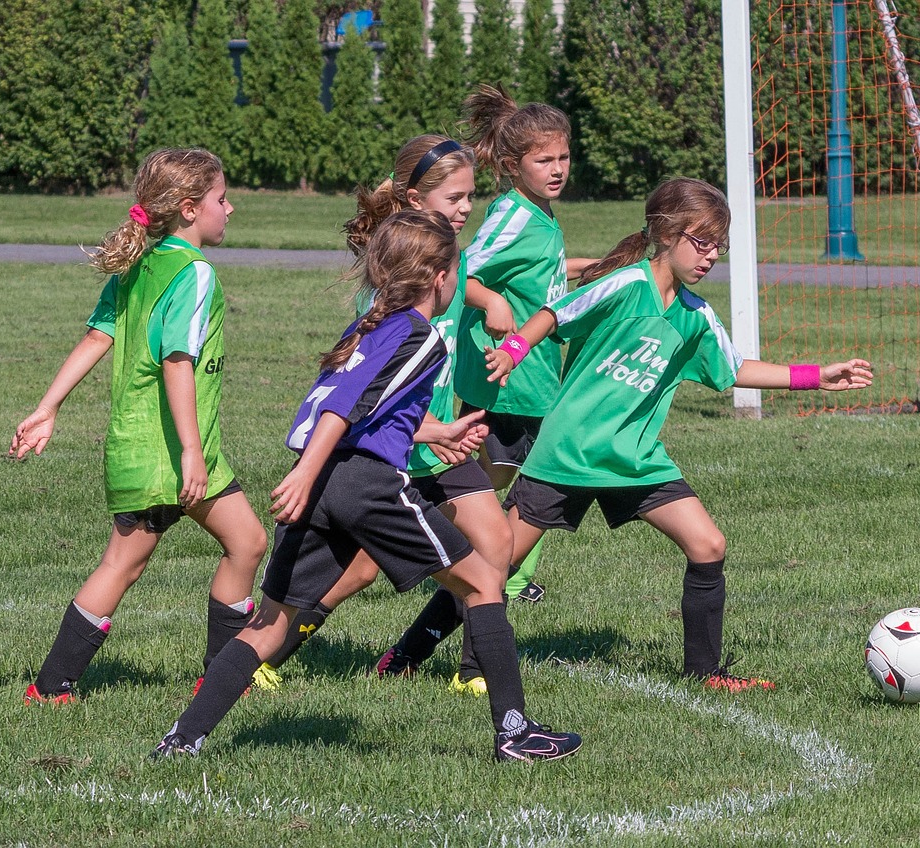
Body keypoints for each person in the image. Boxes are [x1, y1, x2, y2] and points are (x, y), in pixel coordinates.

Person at [151, 209, 581, 762]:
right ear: (438, 278)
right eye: (456, 269)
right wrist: (305, 474)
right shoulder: (420, 337)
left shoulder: (370, 327)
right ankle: (516, 732)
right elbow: (343, 408)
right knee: (482, 582)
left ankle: (182, 738)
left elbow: (356, 411)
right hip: (362, 483)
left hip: (331, 476)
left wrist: (437, 431)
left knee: (269, 622)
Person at [483, 177, 874, 692]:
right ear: (665, 234)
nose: (711, 256)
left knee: (708, 543)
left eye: (719, 246)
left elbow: (733, 369)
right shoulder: (625, 284)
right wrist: (513, 350)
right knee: (497, 560)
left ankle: (704, 674)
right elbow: (556, 313)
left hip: (634, 459)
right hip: (569, 453)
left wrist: (815, 375)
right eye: (701, 242)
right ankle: (425, 656)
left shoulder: (695, 316)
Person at [250, 136, 513, 697]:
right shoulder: (387, 286)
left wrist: (490, 302)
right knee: (359, 568)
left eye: (471, 197)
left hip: (436, 434)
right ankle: (268, 652)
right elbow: (362, 394)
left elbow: (461, 289)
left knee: (495, 543)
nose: (467, 208)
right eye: (456, 197)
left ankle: (475, 673)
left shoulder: (450, 261)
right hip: (387, 445)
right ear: (416, 200)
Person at [12, 148, 268, 704]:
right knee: (247, 542)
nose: (232, 207)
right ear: (189, 209)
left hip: (134, 447)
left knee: (122, 564)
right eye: (222, 198)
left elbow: (96, 338)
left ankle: (51, 686)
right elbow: (179, 361)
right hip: (173, 452)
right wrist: (194, 453)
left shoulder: (140, 267)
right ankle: (221, 680)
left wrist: (47, 406)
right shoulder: (195, 274)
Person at [451, 83, 593, 616]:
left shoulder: (541, 213)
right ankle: (481, 567)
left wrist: (591, 269)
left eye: (563, 156)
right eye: (544, 160)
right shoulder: (512, 215)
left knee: (524, 477)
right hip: (506, 376)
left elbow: (538, 271)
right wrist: (490, 302)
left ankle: (496, 568)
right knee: (508, 479)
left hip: (533, 375)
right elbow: (454, 270)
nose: (558, 168)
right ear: (513, 165)